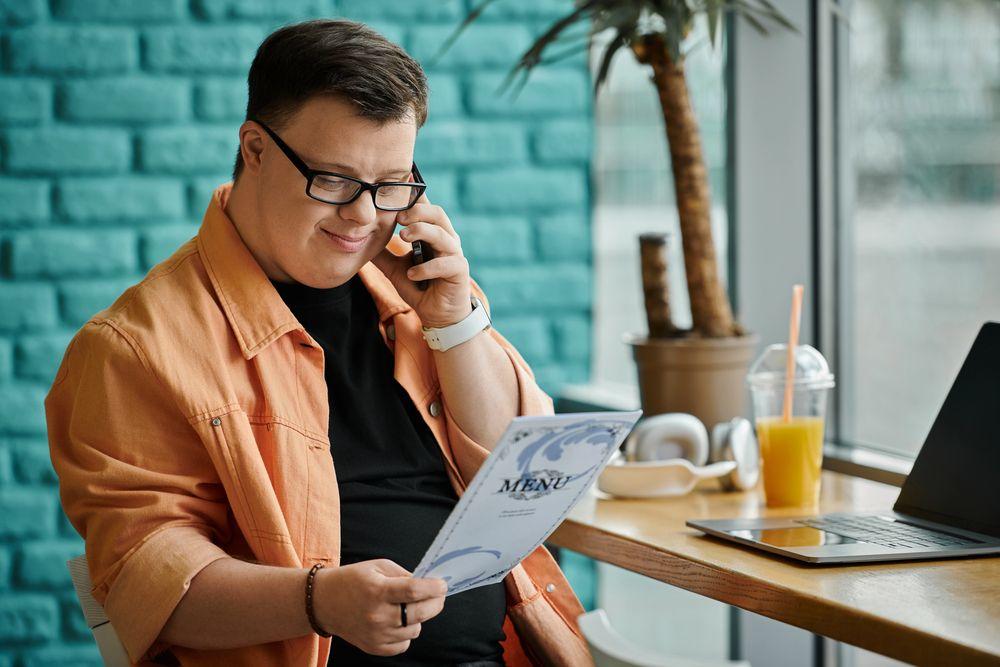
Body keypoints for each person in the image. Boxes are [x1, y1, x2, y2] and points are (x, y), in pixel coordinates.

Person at [45, 18, 592, 667]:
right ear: (254, 149)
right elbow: (149, 583)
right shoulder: (133, 347)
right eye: (333, 180)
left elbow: (529, 487)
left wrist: (456, 325)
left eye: (392, 183)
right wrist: (318, 599)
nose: (363, 215)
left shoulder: (415, 296)